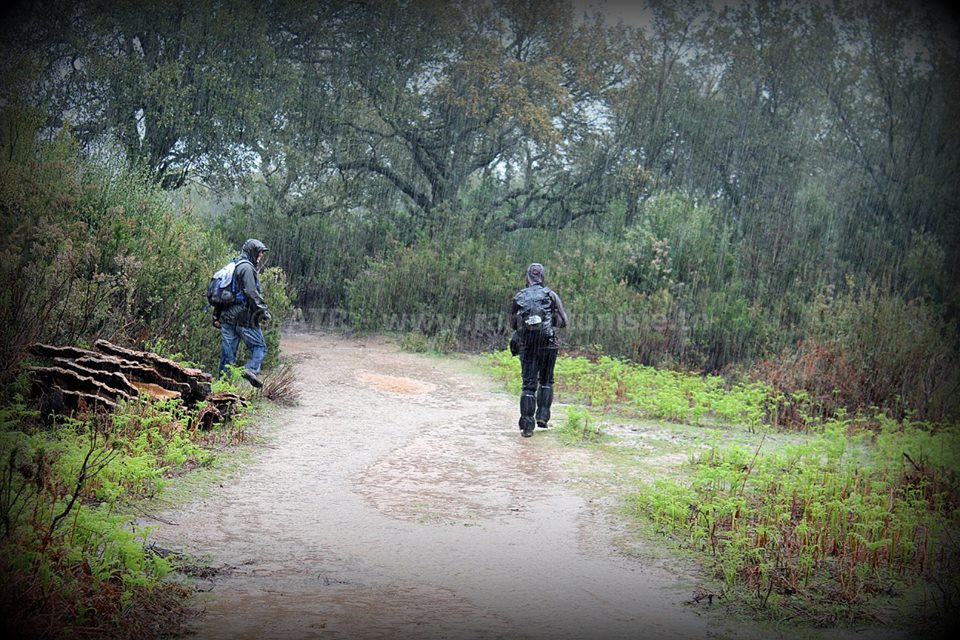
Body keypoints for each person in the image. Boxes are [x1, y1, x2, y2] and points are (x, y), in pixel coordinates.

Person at [509, 263, 568, 437]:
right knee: (547, 380)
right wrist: (549, 322)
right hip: (549, 344)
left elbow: (513, 325)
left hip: (528, 345)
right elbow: (564, 322)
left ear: (528, 276)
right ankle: (543, 416)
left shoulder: (519, 297)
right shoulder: (551, 295)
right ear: (542, 277)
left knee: (528, 386)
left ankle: (527, 427)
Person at [214, 239, 272, 388]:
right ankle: (251, 369)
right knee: (259, 347)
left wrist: (216, 315)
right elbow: (251, 293)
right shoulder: (247, 268)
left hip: (226, 318)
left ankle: (220, 389)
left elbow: (224, 291)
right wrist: (263, 312)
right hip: (243, 318)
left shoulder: (233, 265)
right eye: (259, 253)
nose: (260, 256)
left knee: (228, 357)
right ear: (252, 252)